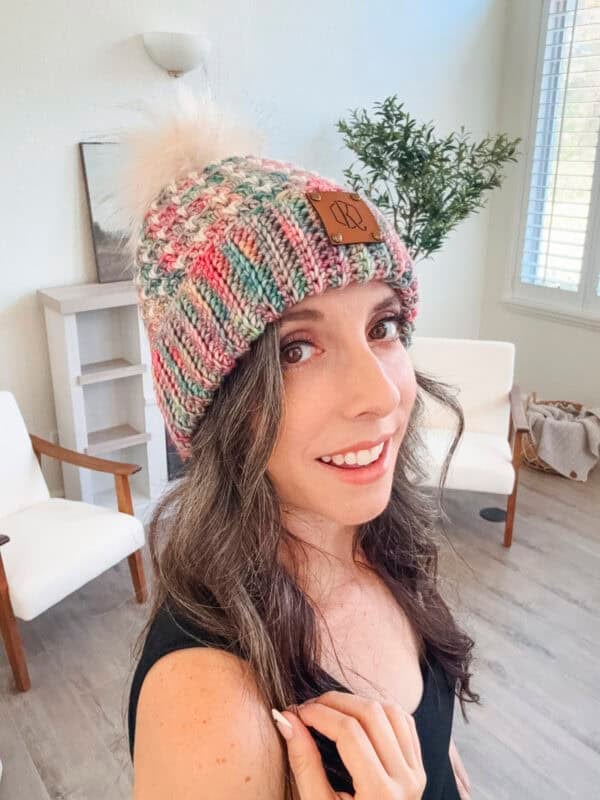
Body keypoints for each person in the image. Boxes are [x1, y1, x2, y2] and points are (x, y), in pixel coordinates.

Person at [120, 89, 479, 800]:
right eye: (296, 348)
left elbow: (444, 761)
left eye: (382, 327)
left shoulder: (381, 546)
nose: (380, 395)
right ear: (216, 403)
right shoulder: (213, 702)